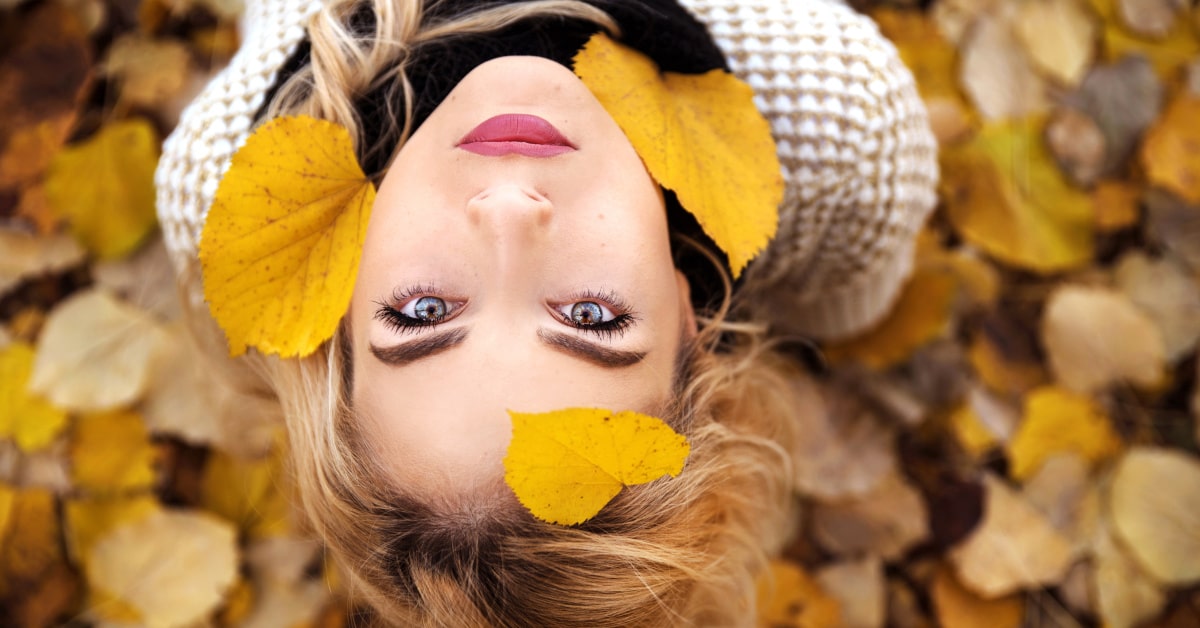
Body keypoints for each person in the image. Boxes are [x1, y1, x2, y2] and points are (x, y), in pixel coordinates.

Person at [156, 0, 937, 624]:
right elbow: (847, 299)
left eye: (423, 310)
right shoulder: (832, 126)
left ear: (335, 310)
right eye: (592, 318)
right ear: (691, 324)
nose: (508, 213)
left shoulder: (231, 196)